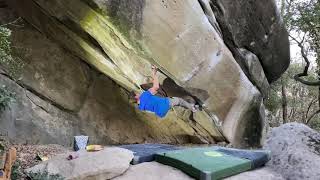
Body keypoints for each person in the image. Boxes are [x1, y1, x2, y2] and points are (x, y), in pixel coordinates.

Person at [130, 65, 198, 118]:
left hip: (161, 113)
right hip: (165, 104)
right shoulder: (144, 96)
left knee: (171, 102)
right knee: (179, 101)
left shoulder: (140, 106)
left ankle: (182, 105)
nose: (138, 93)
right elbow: (156, 86)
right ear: (136, 96)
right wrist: (154, 73)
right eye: (136, 93)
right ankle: (193, 108)